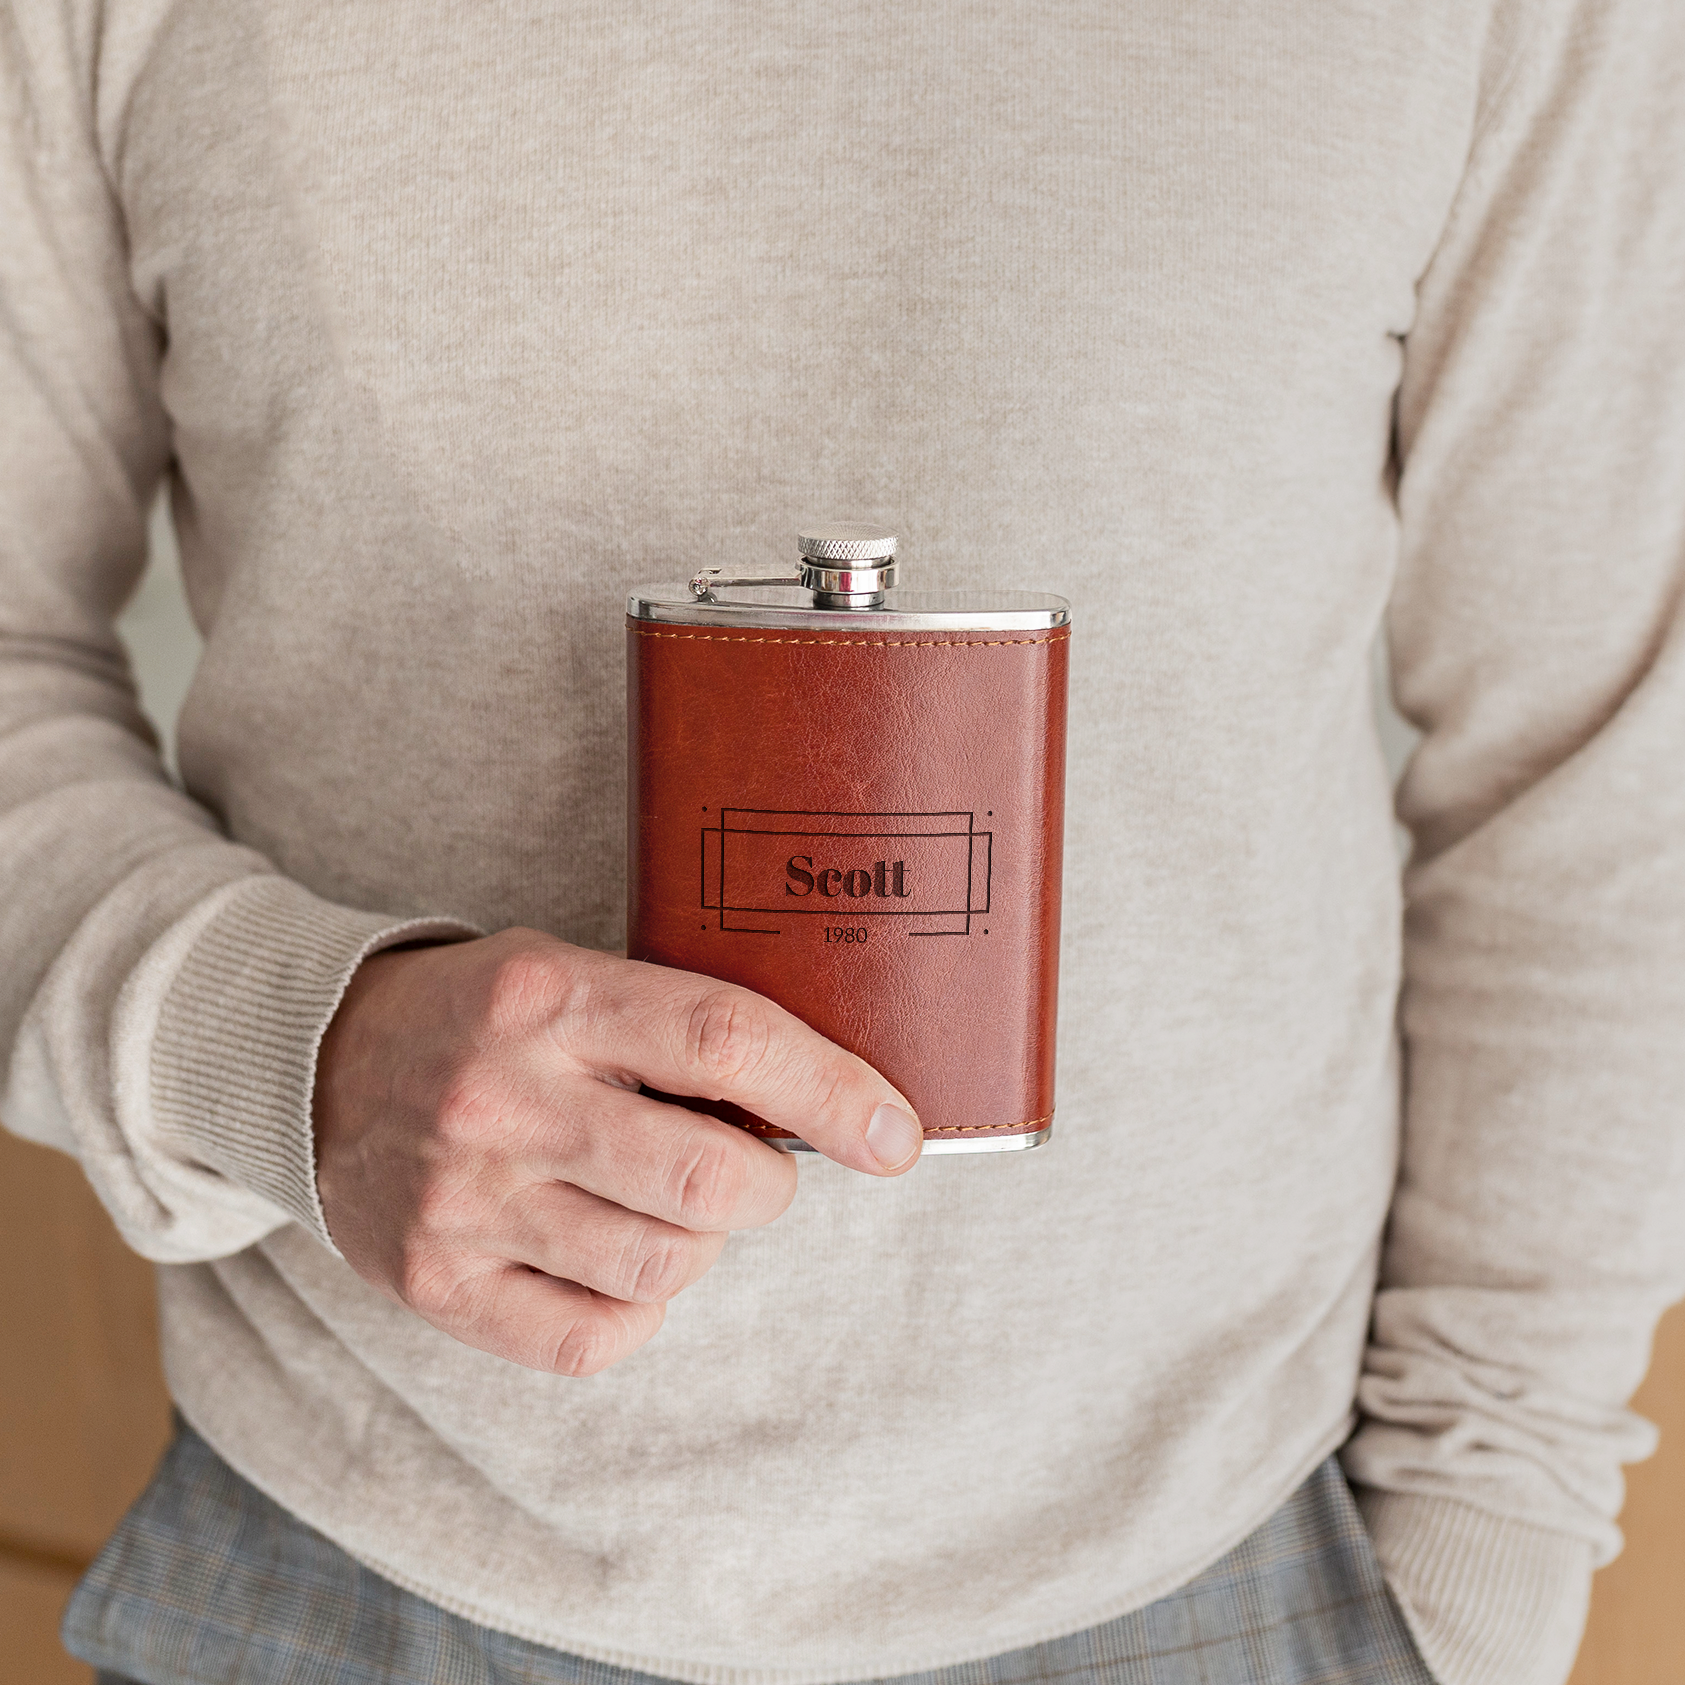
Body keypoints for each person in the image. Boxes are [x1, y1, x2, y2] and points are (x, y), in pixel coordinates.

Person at [3, 2, 1682, 1682]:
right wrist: (286, 1046)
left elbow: (1603, 752)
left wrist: (1481, 1554)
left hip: (1233, 1558)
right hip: (355, 1541)